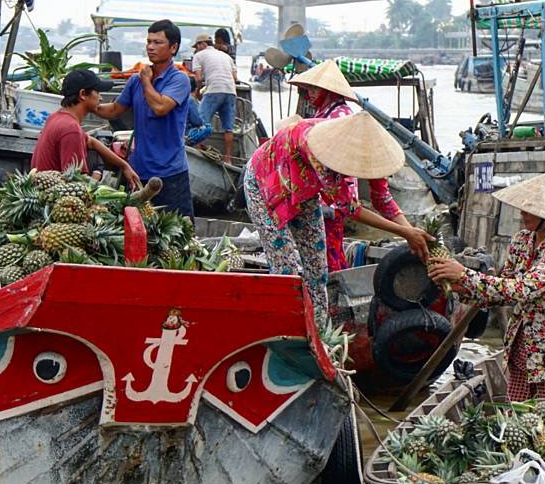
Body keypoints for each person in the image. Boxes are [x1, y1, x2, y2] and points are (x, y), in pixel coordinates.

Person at [244, 111, 431, 330]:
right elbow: (350, 209)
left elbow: (383, 199)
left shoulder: (370, 158)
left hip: (303, 191)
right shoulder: (320, 147)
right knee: (287, 271)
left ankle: (319, 331)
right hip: (265, 183)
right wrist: (406, 234)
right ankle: (286, 329)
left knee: (318, 270)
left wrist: (412, 233)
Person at [427, 170, 545, 402]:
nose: (523, 212)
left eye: (530, 209)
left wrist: (463, 273)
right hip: (522, 350)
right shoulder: (522, 242)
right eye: (523, 206)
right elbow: (504, 291)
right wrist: (461, 288)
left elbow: (522, 289)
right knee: (518, 420)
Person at [290, 59, 413, 272]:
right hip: (329, 204)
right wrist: (408, 231)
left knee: (326, 262)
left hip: (330, 204)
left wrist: (409, 232)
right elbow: (379, 199)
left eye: (313, 89)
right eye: (308, 88)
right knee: (329, 259)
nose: (309, 93)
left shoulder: (336, 119)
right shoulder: (326, 115)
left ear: (327, 91)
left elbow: (371, 197)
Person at [96, 20, 194, 216]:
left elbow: (160, 107)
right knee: (140, 232)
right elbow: (115, 109)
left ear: (173, 47)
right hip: (139, 171)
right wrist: (86, 104)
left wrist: (146, 81)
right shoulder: (135, 80)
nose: (150, 47)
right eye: (149, 41)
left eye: (158, 42)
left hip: (171, 174)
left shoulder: (179, 79)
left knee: (181, 234)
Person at [31, 69, 142, 189]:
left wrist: (124, 166)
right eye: (97, 92)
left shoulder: (56, 117)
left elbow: (91, 142)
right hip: (53, 198)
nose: (100, 98)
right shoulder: (71, 129)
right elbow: (76, 184)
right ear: (83, 94)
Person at [191, 33, 238, 164]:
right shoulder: (226, 56)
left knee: (199, 122)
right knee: (228, 127)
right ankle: (228, 158)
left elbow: (199, 78)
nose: (196, 49)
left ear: (202, 44)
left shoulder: (199, 56)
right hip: (230, 91)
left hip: (214, 90)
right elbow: (235, 78)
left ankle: (200, 152)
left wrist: (197, 92)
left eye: (197, 46)